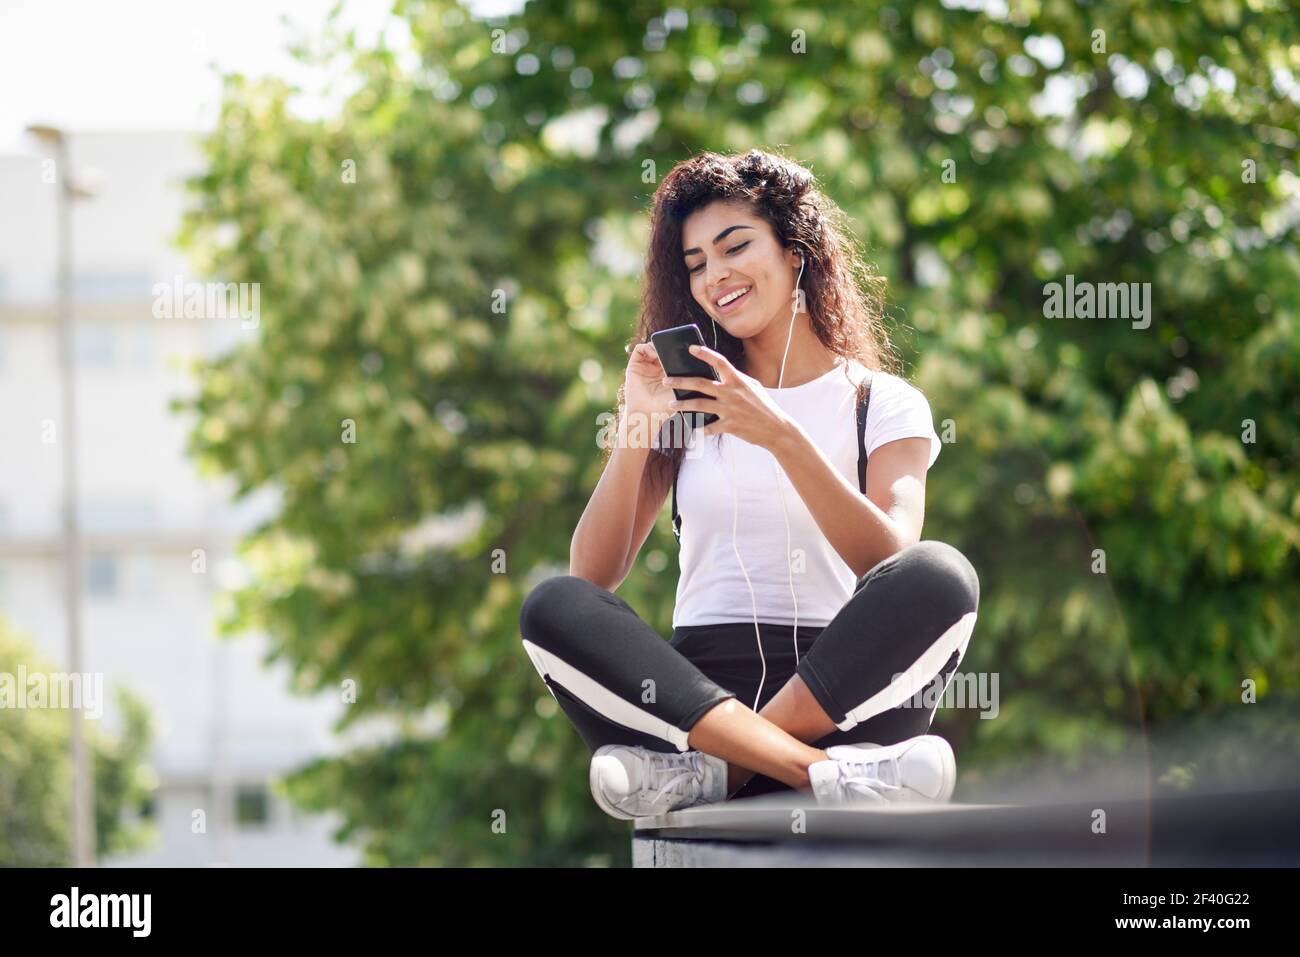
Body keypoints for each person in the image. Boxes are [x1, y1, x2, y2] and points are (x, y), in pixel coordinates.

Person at [518, 149, 980, 820]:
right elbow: (593, 573)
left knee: (941, 573)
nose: (715, 275)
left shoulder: (882, 402)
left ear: (797, 251)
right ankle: (809, 770)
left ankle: (721, 774)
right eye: (696, 262)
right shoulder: (686, 408)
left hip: (837, 698)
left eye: (734, 246)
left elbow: (888, 560)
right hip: (699, 703)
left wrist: (779, 434)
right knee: (553, 605)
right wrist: (638, 427)